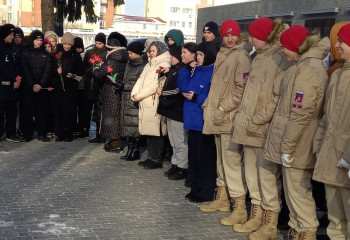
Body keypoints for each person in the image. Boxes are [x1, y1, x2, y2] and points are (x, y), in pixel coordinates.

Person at [230, 18, 291, 235]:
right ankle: (255, 216)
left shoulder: (279, 59)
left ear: (265, 37)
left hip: (263, 129)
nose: (251, 40)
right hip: (248, 127)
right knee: (252, 176)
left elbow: (278, 97)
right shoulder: (258, 57)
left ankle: (269, 224)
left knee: (267, 179)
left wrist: (258, 119)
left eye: (255, 36)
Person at [199, 19, 252, 228]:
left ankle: (239, 208)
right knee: (221, 162)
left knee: (231, 164)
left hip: (228, 117)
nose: (230, 39)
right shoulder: (223, 53)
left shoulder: (241, 56)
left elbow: (242, 89)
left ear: (239, 36)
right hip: (217, 117)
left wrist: (223, 107)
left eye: (234, 35)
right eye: (227, 35)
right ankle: (222, 199)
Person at [313, 23, 350, 240]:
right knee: (335, 216)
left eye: (342, 42)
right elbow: (326, 117)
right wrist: (319, 146)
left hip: (346, 158)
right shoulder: (337, 74)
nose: (336, 45)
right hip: (331, 154)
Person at [177, 41, 218, 202]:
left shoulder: (213, 72)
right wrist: (187, 68)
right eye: (198, 54)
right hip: (192, 121)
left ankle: (206, 190)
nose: (198, 57)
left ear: (209, 56)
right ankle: (195, 187)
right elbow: (184, 86)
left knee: (205, 159)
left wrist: (197, 97)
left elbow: (213, 98)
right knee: (194, 158)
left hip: (203, 122)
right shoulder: (196, 70)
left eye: (201, 55)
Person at [131, 41, 171, 169]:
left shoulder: (163, 64)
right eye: (150, 51)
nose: (151, 53)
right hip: (145, 102)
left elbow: (155, 85)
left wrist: (139, 95)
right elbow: (141, 79)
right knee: (148, 131)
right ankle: (150, 157)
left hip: (154, 102)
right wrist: (134, 93)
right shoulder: (149, 64)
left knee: (156, 132)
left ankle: (156, 159)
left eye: (154, 51)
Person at [92, 32, 128, 152]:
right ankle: (114, 142)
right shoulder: (124, 58)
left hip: (110, 93)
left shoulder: (112, 61)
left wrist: (96, 67)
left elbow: (98, 74)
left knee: (111, 118)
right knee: (116, 117)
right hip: (118, 92)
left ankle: (115, 144)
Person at [157, 45, 188, 180]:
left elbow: (178, 90)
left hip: (178, 110)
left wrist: (162, 92)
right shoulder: (175, 70)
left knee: (180, 141)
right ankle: (175, 164)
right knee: (174, 141)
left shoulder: (182, 70)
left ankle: (182, 167)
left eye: (173, 56)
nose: (171, 58)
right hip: (171, 110)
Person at [51, 32, 83, 142]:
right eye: (65, 44)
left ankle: (69, 134)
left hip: (71, 87)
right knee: (59, 111)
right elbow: (51, 70)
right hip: (59, 87)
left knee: (69, 112)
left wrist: (73, 75)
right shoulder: (57, 55)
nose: (67, 46)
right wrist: (57, 71)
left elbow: (80, 71)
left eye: (69, 44)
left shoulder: (76, 56)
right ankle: (59, 134)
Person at [21, 30, 52, 142]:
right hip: (29, 87)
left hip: (42, 88)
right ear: (32, 40)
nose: (39, 42)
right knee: (27, 112)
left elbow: (47, 71)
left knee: (41, 112)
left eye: (40, 40)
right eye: (37, 40)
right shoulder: (25, 53)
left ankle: (41, 133)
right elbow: (25, 70)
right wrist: (32, 84)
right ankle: (27, 134)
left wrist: (40, 84)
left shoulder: (46, 54)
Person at [120, 41, 147, 160]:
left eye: (131, 53)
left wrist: (125, 86)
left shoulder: (142, 66)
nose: (129, 55)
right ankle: (130, 149)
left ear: (137, 53)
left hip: (134, 100)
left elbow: (139, 84)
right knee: (128, 126)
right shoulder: (129, 64)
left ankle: (134, 150)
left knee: (134, 126)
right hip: (126, 98)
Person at [82, 32, 107, 142]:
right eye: (96, 43)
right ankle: (85, 129)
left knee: (98, 111)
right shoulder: (89, 52)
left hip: (100, 86)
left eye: (100, 43)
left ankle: (99, 133)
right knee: (86, 109)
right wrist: (89, 71)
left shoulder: (107, 53)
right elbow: (84, 66)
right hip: (90, 84)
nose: (98, 45)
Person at [0, 24, 21, 142]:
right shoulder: (1, 48)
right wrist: (15, 76)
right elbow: (3, 67)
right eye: (11, 35)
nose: (13, 37)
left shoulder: (13, 48)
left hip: (14, 85)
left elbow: (17, 65)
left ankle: (11, 133)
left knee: (12, 111)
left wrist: (17, 79)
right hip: (2, 84)